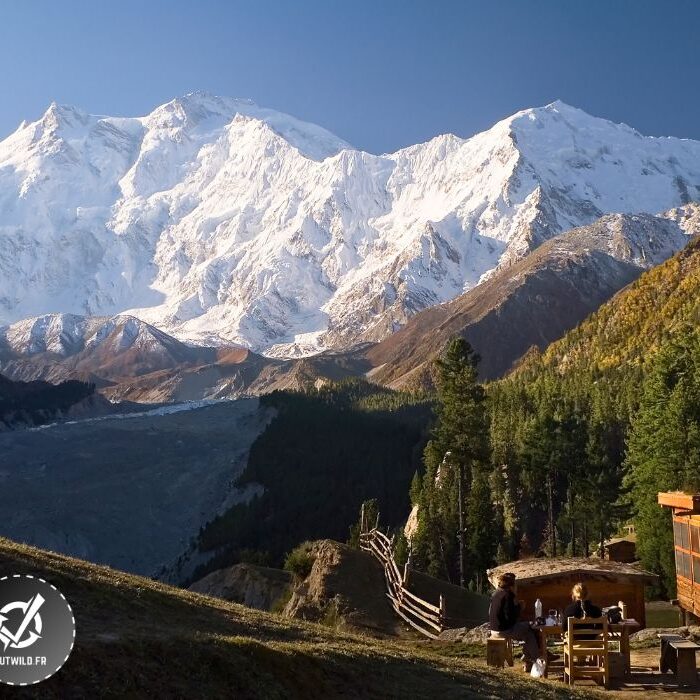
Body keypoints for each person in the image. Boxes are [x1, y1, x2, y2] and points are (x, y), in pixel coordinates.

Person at [489, 572, 541, 672]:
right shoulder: (508, 595)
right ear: (512, 585)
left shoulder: (496, 593)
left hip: (494, 629)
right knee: (531, 628)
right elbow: (510, 618)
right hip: (504, 630)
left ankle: (530, 660)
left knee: (528, 634)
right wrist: (519, 608)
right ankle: (535, 659)